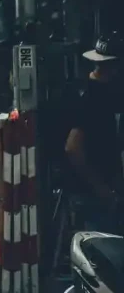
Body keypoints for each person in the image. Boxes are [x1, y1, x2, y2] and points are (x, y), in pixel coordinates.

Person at [66, 33, 124, 232]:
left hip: (103, 194)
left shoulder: (104, 94)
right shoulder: (91, 99)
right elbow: (73, 148)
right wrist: (102, 190)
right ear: (115, 66)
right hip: (92, 199)